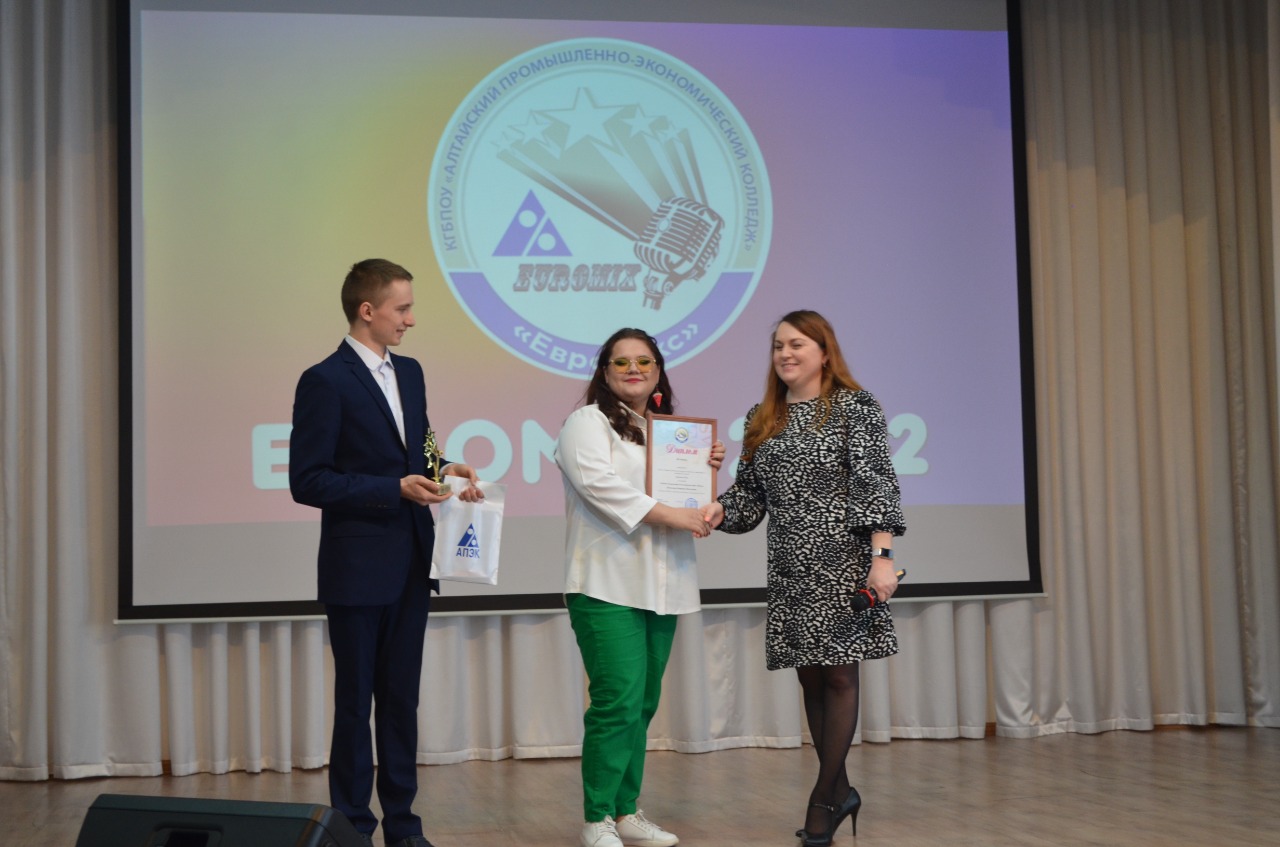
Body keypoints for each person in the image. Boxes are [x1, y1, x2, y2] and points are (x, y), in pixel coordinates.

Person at [289, 258, 482, 847]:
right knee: (355, 704)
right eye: (403, 308)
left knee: (401, 702)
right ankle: (352, 828)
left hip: (411, 562)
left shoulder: (411, 372)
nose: (411, 320)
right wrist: (391, 489)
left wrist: (444, 467)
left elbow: (416, 451)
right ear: (367, 310)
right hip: (356, 568)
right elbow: (308, 480)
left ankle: (404, 826)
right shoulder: (325, 380)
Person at [704, 310, 905, 847]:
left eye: (796, 344)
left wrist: (882, 557)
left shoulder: (854, 406)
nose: (785, 354)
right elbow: (749, 501)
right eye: (778, 346)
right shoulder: (762, 416)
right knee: (810, 680)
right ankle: (841, 791)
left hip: (843, 562)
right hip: (790, 567)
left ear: (824, 351)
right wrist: (713, 504)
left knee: (838, 676)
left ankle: (823, 799)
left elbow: (876, 483)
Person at [554, 328, 724, 847]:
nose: (634, 369)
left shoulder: (670, 433)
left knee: (643, 704)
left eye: (644, 361)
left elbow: (686, 498)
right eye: (622, 361)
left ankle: (626, 810)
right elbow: (599, 486)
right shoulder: (587, 422)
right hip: (606, 582)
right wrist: (677, 514)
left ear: (658, 371)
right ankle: (597, 818)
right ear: (604, 372)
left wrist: (705, 478)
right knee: (617, 702)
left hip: (663, 583)